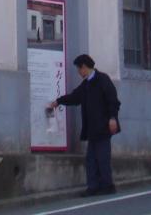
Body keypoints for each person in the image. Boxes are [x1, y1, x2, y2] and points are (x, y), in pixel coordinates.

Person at [47, 53, 121, 197]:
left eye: (79, 69)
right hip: (92, 128)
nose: (78, 72)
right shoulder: (86, 84)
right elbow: (75, 97)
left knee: (102, 158)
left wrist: (112, 118)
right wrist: (59, 101)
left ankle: (107, 185)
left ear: (84, 67)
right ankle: (93, 187)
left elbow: (113, 100)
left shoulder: (102, 79)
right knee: (91, 159)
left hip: (103, 127)